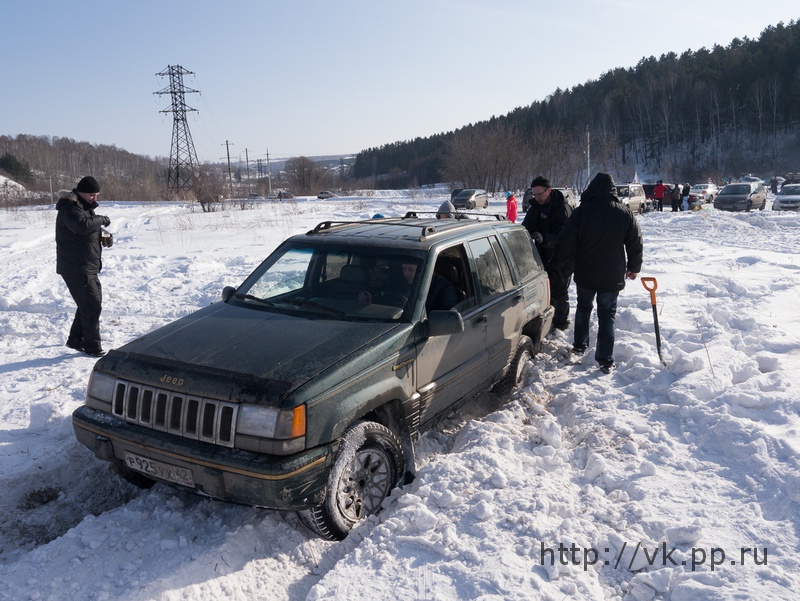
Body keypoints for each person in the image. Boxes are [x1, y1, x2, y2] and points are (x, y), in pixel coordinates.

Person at [551, 172, 643, 374]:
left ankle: (579, 345)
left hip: (586, 273)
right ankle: (605, 360)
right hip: (612, 274)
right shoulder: (624, 212)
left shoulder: (581, 212)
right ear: (612, 191)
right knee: (607, 316)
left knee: (584, 308)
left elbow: (566, 242)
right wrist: (634, 267)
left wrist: (555, 264)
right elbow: (635, 242)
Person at [55, 176, 112, 357]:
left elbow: (87, 228)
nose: (94, 198)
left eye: (96, 195)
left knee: (88, 304)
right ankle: (92, 346)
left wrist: (104, 235)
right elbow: (81, 226)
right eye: (91, 194)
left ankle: (76, 340)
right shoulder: (69, 208)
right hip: (75, 267)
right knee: (91, 305)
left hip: (88, 265)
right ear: (80, 192)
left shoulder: (84, 208)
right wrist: (102, 219)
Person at [522, 176, 573, 330]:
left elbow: (566, 236)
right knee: (544, 290)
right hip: (542, 257)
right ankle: (547, 319)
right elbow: (526, 226)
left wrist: (545, 239)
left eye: (540, 194)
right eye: (534, 194)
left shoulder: (562, 208)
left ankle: (560, 324)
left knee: (559, 291)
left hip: (562, 258)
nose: (537, 198)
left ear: (548, 191)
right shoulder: (535, 207)